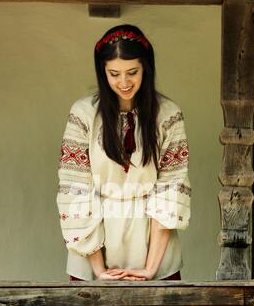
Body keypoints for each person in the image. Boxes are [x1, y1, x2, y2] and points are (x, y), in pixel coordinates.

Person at [56, 24, 191, 281]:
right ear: (102, 71)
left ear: (146, 69)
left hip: (154, 243)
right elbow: (75, 188)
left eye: (132, 72)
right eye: (114, 73)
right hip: (93, 241)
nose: (124, 82)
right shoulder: (83, 114)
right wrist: (98, 269)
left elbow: (171, 188)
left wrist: (151, 268)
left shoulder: (168, 115)